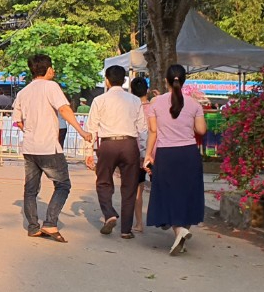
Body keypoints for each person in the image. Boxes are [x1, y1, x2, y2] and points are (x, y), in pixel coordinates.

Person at [11, 54, 92, 242]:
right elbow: (64, 109)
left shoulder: (23, 92)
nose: (53, 71)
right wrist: (81, 131)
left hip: (30, 147)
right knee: (63, 185)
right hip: (48, 147)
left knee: (31, 189)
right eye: (52, 68)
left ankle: (33, 227)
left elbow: (17, 121)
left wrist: (31, 130)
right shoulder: (51, 87)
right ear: (47, 70)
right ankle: (50, 223)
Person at [144, 64, 206, 255]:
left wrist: (148, 154)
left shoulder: (155, 103)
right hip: (188, 154)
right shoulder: (195, 104)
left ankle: (179, 231)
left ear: (166, 81)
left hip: (166, 154)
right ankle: (181, 231)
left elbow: (153, 131)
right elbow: (201, 131)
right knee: (187, 194)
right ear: (184, 80)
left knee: (168, 195)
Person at [85, 64, 147, 239]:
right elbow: (142, 130)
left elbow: (91, 128)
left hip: (108, 144)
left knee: (103, 182)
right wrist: (143, 154)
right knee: (129, 187)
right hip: (129, 145)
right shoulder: (135, 100)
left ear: (107, 80)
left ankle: (109, 214)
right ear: (125, 80)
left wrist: (88, 153)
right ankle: (126, 230)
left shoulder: (99, 100)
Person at [130, 76, 152, 233]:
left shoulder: (131, 109)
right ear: (148, 90)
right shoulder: (155, 108)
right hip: (156, 153)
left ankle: (138, 223)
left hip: (137, 153)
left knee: (137, 190)